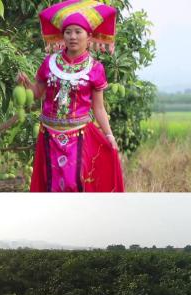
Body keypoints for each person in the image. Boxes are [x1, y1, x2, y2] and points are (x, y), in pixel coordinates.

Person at [17, 0, 124, 192]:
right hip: (48, 135)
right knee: (50, 184)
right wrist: (26, 85)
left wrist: (109, 135)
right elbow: (38, 93)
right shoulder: (49, 62)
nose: (72, 36)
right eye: (68, 32)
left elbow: (98, 107)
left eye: (78, 31)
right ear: (62, 35)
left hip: (79, 136)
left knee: (74, 183)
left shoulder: (96, 68)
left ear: (88, 36)